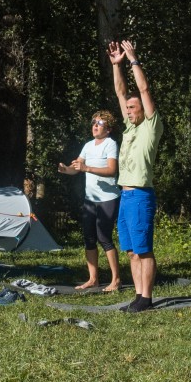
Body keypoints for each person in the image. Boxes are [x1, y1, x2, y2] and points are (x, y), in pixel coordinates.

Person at [109, 39, 162, 312]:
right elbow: (121, 93)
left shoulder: (150, 127)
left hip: (141, 195)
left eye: (133, 108)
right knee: (130, 250)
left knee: (143, 249)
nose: (129, 111)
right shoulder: (129, 129)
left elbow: (143, 88)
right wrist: (117, 66)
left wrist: (133, 60)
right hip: (125, 194)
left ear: (143, 110)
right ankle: (139, 295)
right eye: (128, 109)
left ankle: (147, 298)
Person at [57, 108, 122, 292]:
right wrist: (65, 169)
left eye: (99, 123)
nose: (95, 125)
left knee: (104, 238)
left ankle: (115, 280)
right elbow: (76, 167)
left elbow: (111, 171)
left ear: (108, 129)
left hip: (108, 199)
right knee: (89, 238)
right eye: (94, 122)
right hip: (90, 200)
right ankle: (93, 279)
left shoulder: (110, 144)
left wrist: (87, 168)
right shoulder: (87, 145)